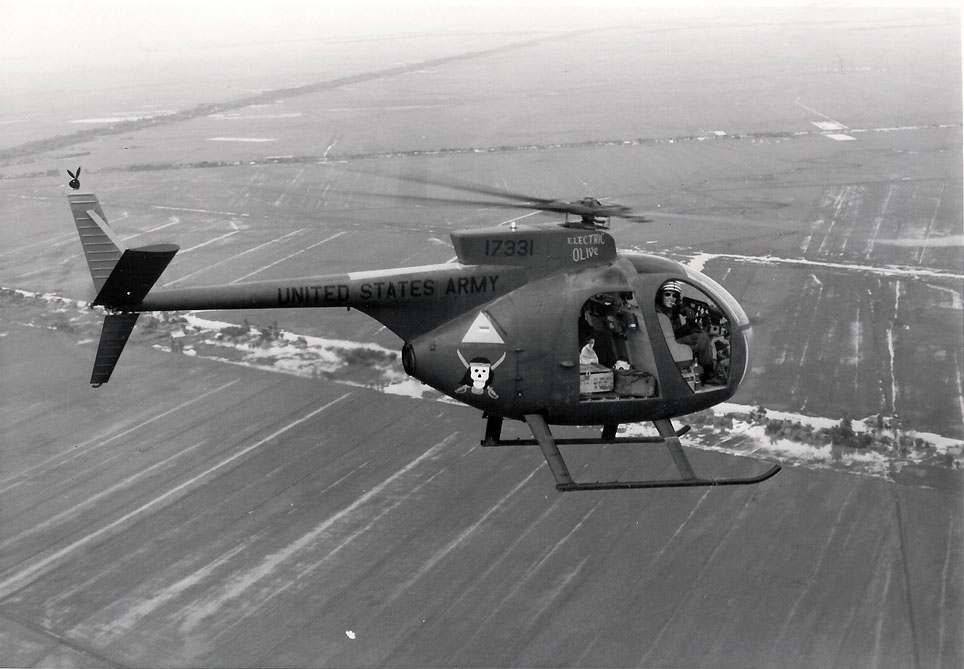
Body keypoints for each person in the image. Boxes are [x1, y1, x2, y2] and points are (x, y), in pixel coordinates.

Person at [656, 281, 716, 383]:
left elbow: (675, 329)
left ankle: (706, 371)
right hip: (666, 344)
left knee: (703, 336)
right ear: (661, 295)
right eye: (667, 294)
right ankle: (709, 374)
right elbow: (667, 333)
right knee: (703, 339)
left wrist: (687, 313)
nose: (671, 298)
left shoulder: (672, 309)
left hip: (672, 340)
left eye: (674, 296)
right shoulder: (658, 312)